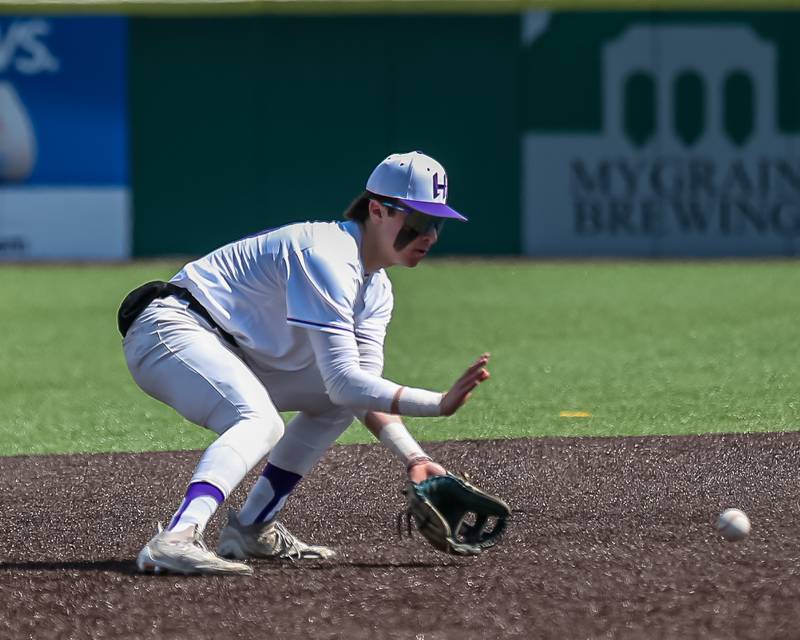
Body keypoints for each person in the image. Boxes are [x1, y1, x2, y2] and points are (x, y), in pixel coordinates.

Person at [119, 151, 491, 576]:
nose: (430, 235)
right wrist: (438, 404)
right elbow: (347, 381)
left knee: (336, 403)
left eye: (436, 224)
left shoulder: (377, 291)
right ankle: (177, 537)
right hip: (170, 328)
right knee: (260, 420)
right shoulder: (326, 253)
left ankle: (252, 526)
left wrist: (414, 458)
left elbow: (357, 390)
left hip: (234, 350)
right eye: (420, 221)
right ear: (376, 209)